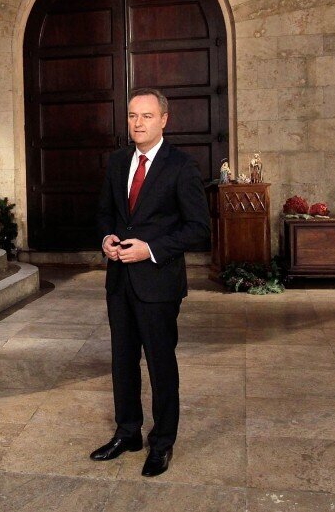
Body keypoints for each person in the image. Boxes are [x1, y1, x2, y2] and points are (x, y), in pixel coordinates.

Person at [92, 87, 210, 477]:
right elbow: (106, 214)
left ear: (164, 120)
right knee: (122, 361)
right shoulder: (117, 161)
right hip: (120, 281)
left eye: (146, 116)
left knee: (160, 365)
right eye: (131, 116)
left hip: (158, 283)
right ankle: (127, 432)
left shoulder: (181, 166)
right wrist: (107, 238)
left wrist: (151, 249)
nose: (137, 123)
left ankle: (162, 443)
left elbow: (198, 228)